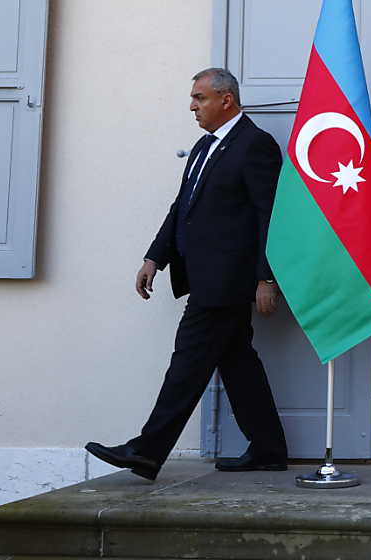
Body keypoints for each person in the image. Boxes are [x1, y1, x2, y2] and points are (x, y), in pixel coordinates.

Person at [86, 68, 288, 480]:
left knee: (188, 361)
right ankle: (269, 448)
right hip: (205, 275)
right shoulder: (203, 146)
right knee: (238, 362)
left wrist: (266, 278)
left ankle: (147, 451)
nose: (192, 106)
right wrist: (154, 258)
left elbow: (270, 215)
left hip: (227, 280)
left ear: (226, 100)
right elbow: (183, 208)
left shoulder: (255, 144)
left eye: (200, 98)